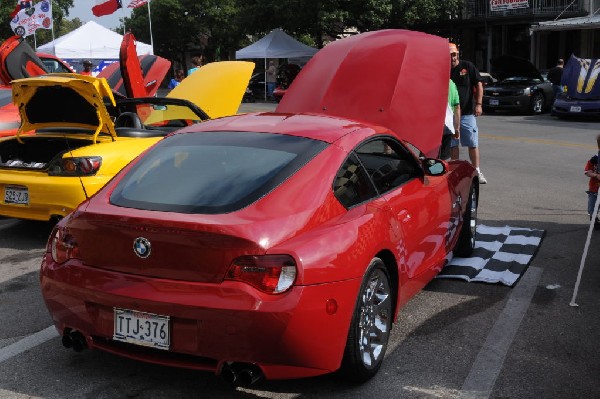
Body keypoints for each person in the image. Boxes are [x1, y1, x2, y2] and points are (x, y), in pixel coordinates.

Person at [449, 42, 486, 184]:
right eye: (449, 55)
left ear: (457, 54)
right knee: (453, 144)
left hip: (468, 113)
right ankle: (455, 172)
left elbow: (479, 84)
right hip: (451, 114)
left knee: (472, 142)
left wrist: (479, 104)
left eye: (453, 54)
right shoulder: (443, 69)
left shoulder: (467, 66)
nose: (452, 58)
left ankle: (477, 170)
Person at [440, 79, 461, 160]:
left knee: (428, 156)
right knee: (443, 158)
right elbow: (457, 107)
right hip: (447, 125)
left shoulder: (433, 81)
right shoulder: (452, 84)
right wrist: (456, 128)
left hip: (433, 126)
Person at [584, 134, 600, 230]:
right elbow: (587, 171)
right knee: (592, 208)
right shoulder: (595, 159)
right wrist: (596, 175)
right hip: (594, 189)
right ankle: (594, 220)